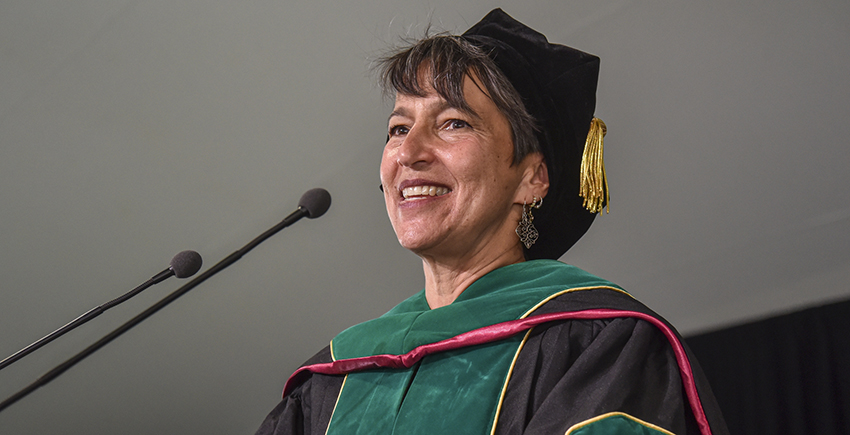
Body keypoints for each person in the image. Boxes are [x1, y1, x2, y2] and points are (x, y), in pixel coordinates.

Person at [256, 9, 729, 435]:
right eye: (399, 128)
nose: (409, 153)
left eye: (453, 123)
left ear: (531, 179)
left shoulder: (597, 347)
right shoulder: (332, 384)